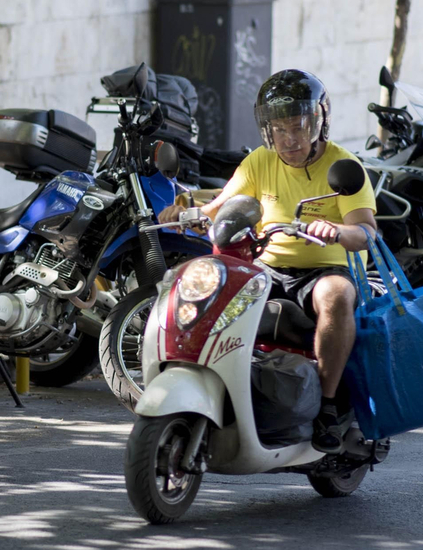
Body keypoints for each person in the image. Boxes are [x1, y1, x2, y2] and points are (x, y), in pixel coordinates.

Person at [159, 70, 377, 452]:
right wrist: (183, 212)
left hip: (323, 270)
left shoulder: (344, 166)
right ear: (267, 130)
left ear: (319, 122)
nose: (289, 139)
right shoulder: (260, 162)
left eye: (298, 127)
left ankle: (326, 405)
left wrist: (338, 231)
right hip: (265, 266)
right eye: (279, 129)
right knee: (211, 290)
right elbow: (218, 207)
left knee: (336, 296)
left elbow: (366, 231)